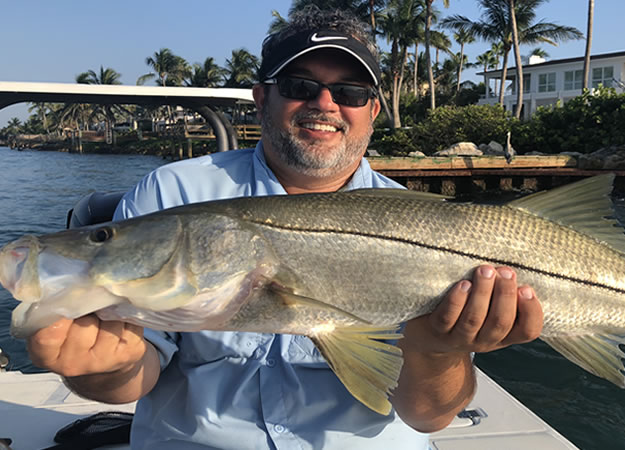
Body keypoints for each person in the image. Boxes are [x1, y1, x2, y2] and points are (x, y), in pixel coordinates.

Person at [25, 7, 544, 449]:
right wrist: (104, 370)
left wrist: (439, 351)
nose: (325, 104)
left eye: (351, 91)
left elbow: (429, 416)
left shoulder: (430, 226)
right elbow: (136, 372)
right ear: (261, 97)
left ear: (373, 111)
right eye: (300, 86)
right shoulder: (174, 195)